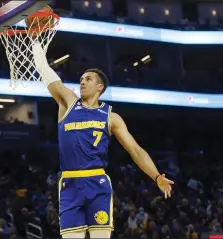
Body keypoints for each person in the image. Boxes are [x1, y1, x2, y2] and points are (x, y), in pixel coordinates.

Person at [32, 42, 174, 239]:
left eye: (88, 79)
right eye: (81, 79)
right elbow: (44, 70)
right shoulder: (68, 103)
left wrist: (157, 177)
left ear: (100, 87)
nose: (82, 82)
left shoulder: (110, 117)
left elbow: (135, 150)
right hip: (70, 183)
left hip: (97, 183)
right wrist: (35, 41)